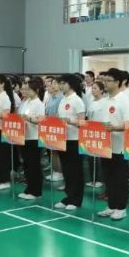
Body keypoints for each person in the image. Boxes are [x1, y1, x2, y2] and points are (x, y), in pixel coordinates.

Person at [93, 69, 129, 217]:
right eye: (105, 80)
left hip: (119, 147)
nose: (105, 83)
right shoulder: (105, 101)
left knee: (120, 179)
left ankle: (121, 208)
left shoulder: (124, 100)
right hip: (105, 146)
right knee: (108, 178)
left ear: (117, 82)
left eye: (109, 80)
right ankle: (111, 205)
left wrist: (114, 128)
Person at [55, 74, 86, 210]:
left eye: (63, 83)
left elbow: (82, 122)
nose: (60, 86)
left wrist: (70, 121)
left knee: (75, 171)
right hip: (63, 139)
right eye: (60, 83)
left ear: (71, 85)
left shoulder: (77, 100)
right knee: (66, 170)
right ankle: (68, 197)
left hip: (74, 140)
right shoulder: (63, 99)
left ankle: (76, 200)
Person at [17, 78, 46, 199]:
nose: (27, 91)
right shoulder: (26, 102)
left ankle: (36, 191)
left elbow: (40, 120)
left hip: (34, 138)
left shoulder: (39, 104)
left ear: (37, 90)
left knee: (34, 165)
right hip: (24, 136)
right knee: (27, 164)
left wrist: (29, 119)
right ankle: (29, 188)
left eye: (29, 89)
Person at [45, 78, 64, 183]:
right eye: (52, 83)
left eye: (55, 83)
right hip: (49, 125)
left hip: (57, 126)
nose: (53, 85)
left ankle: (59, 172)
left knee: (57, 151)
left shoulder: (61, 97)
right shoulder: (51, 97)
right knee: (52, 150)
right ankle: (54, 170)